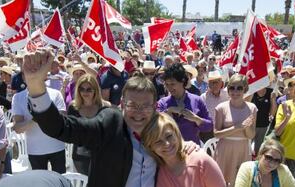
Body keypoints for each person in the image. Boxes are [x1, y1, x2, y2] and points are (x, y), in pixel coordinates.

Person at [21, 50, 197, 187]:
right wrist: (36, 86)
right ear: (121, 103)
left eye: (145, 106)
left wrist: (188, 146)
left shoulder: (159, 126)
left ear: (154, 106)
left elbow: (178, 152)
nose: (138, 112)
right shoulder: (110, 123)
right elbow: (62, 127)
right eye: (132, 105)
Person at [141, 112, 226, 187]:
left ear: (176, 134)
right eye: (158, 141)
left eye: (169, 136)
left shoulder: (202, 162)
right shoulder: (158, 172)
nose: (166, 144)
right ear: (150, 146)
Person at [11, 83, 67, 174]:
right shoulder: (18, 97)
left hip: (57, 147)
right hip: (35, 150)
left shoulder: (56, 93)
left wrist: (42, 115)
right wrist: (37, 118)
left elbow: (63, 119)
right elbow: (18, 128)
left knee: (60, 182)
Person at [214, 74, 258, 186]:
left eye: (239, 88)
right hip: (225, 149)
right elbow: (216, 134)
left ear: (245, 89)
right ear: (228, 90)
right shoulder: (221, 108)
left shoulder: (252, 108)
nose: (235, 91)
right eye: (232, 87)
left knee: (239, 181)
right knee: (221, 181)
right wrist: (236, 127)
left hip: (242, 149)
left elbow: (251, 135)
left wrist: (247, 128)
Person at [158, 63, 213, 144]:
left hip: (192, 150)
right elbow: (156, 126)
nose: (169, 88)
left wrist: (196, 119)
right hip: (169, 150)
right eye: (166, 84)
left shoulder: (197, 100)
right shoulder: (162, 103)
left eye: (173, 84)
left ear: (182, 81)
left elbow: (209, 126)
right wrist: (169, 111)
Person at [68, 74, 110, 175]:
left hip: (101, 155)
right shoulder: (73, 107)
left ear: (95, 90)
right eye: (82, 89)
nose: (85, 92)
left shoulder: (105, 107)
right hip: (80, 155)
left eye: (89, 89)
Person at [251, 87, 277, 154]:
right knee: (246, 149)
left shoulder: (271, 92)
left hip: (263, 126)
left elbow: (272, 113)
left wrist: (273, 100)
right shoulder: (251, 90)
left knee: (259, 151)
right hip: (250, 126)